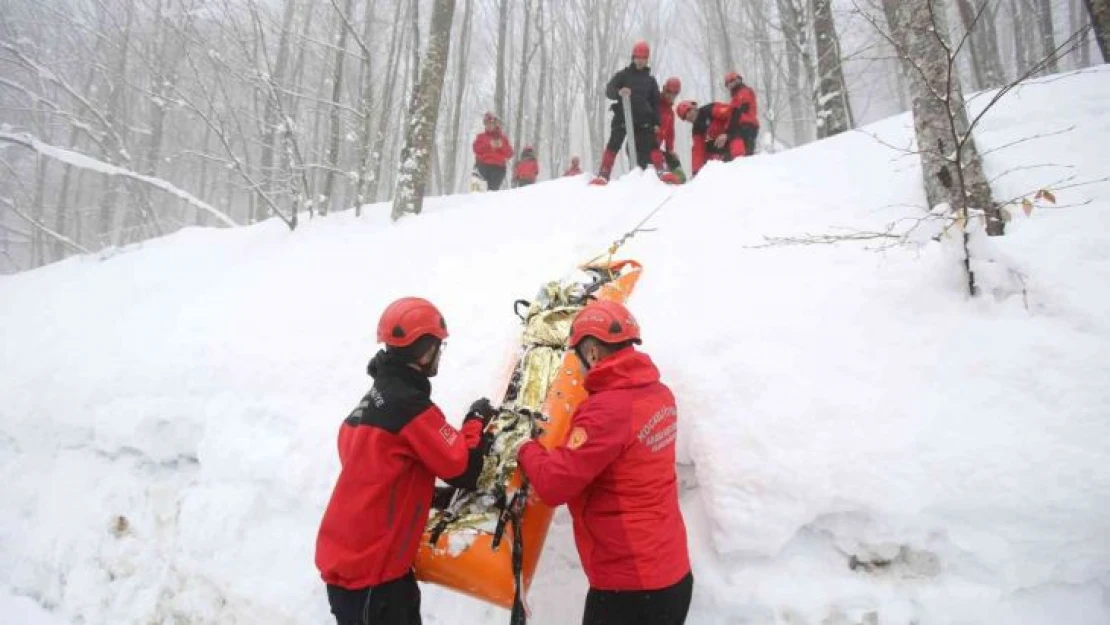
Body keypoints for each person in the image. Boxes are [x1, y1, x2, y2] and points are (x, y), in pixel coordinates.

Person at [315, 297, 496, 625]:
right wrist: (476, 421)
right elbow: (464, 467)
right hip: (373, 577)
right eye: (439, 347)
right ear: (425, 351)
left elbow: (381, 476)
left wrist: (425, 495)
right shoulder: (410, 408)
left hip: (357, 569)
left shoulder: (365, 407)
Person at [516, 300, 692, 625]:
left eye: (577, 356)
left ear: (593, 353)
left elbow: (555, 484)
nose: (578, 367)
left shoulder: (605, 411)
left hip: (630, 589)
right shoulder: (659, 394)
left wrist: (524, 447)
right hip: (672, 573)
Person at [594, 40, 661, 183]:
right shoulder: (623, 75)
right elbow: (609, 90)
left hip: (643, 120)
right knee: (614, 143)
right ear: (633, 57)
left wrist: (656, 122)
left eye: (643, 58)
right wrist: (619, 92)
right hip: (622, 117)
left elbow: (656, 103)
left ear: (647, 59)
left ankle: (658, 171)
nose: (640, 61)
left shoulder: (650, 81)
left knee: (650, 145)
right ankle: (604, 173)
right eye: (638, 57)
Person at [676, 99, 733, 177]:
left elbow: (733, 113)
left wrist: (727, 134)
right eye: (685, 116)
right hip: (725, 144)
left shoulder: (709, 109)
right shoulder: (697, 129)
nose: (688, 116)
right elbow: (698, 151)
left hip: (738, 134)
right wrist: (696, 174)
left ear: (694, 107)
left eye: (688, 111)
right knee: (702, 149)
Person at [472, 112, 514, 191]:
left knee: (492, 191)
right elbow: (476, 149)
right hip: (483, 166)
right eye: (487, 123)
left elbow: (510, 153)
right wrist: (488, 144)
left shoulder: (503, 138)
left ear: (495, 124)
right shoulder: (481, 137)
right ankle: (476, 189)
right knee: (477, 186)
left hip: (498, 168)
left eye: (491, 123)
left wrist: (502, 146)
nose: (489, 125)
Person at [724, 71, 760, 157]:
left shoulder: (743, 92)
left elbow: (740, 111)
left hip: (747, 126)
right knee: (745, 153)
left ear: (738, 80)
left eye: (732, 81)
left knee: (746, 154)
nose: (730, 84)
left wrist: (729, 130)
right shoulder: (737, 95)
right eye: (728, 83)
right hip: (744, 126)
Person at [655, 77, 683, 183]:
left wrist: (670, 150)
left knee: (673, 160)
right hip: (644, 145)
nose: (671, 95)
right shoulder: (655, 103)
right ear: (664, 89)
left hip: (656, 148)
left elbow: (670, 134)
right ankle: (662, 178)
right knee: (656, 160)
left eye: (675, 93)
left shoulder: (670, 113)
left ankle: (679, 180)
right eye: (669, 92)